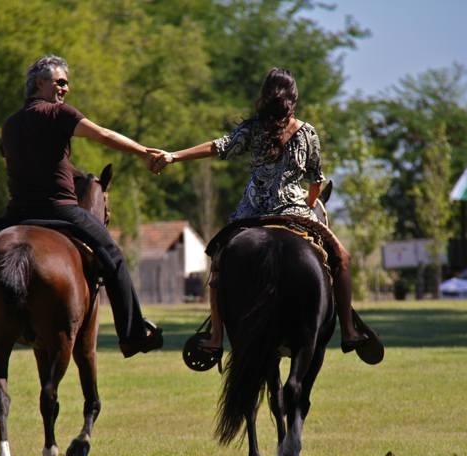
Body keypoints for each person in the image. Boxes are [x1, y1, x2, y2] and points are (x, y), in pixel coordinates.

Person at [149, 67, 369, 358]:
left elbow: (219, 147)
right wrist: (309, 201)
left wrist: (174, 155)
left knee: (219, 259)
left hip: (250, 212)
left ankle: (215, 336)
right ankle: (350, 330)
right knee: (342, 257)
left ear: (265, 96)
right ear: (294, 97)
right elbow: (316, 180)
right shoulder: (307, 133)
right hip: (294, 210)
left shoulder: (252, 129)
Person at [0, 55, 163, 358]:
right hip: (60, 210)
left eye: (66, 83)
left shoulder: (10, 124)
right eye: (60, 81)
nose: (66, 88)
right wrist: (144, 152)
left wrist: (74, 174)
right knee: (114, 257)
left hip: (18, 213)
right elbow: (103, 134)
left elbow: (40, 162)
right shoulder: (58, 114)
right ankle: (132, 335)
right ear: (39, 82)